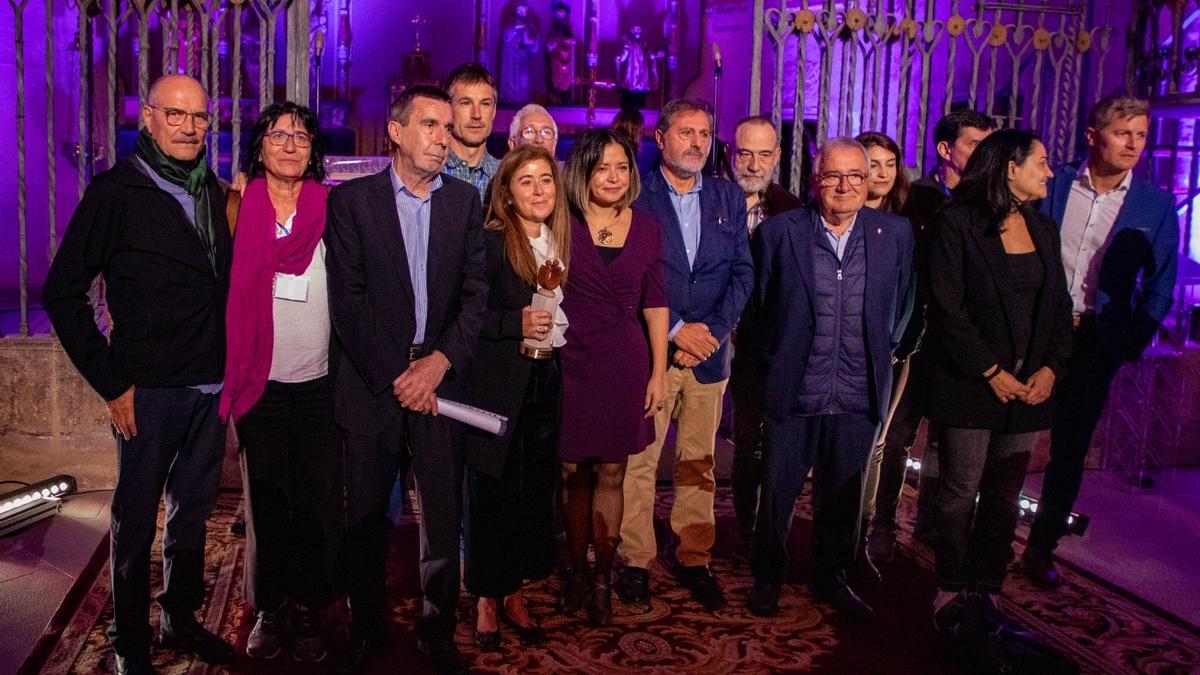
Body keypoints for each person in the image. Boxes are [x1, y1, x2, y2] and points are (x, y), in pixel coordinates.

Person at [42, 73, 236, 674]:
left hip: (210, 386)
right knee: (134, 522)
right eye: (174, 115)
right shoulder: (115, 192)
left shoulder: (214, 192)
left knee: (192, 514)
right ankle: (130, 642)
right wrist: (111, 380)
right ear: (148, 118)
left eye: (199, 117)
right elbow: (61, 293)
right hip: (146, 392)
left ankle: (178, 618)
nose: (188, 126)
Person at [325, 85, 488, 675]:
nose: (444, 138)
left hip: (442, 382)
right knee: (367, 515)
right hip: (375, 385)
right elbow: (348, 302)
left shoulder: (464, 203)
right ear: (395, 132)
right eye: (430, 125)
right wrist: (400, 376)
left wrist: (438, 364)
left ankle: (436, 625)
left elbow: (477, 295)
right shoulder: (353, 203)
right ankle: (366, 624)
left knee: (442, 516)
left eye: (448, 127)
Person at [747, 137, 913, 622]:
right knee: (777, 493)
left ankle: (831, 577)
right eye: (833, 176)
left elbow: (901, 307)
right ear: (815, 180)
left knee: (843, 494)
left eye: (856, 177)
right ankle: (768, 577)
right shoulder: (780, 233)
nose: (845, 186)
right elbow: (759, 311)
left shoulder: (894, 233)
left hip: (858, 391)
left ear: (869, 182)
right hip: (796, 389)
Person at [925, 129, 1073, 667]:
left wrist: (1053, 369)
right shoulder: (955, 223)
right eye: (1041, 162)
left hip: (1029, 388)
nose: (1050, 172)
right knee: (961, 490)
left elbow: (1059, 305)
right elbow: (947, 307)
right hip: (971, 383)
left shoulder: (1043, 227)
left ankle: (986, 586)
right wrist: (988, 369)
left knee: (1006, 495)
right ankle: (950, 586)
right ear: (1009, 168)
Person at [1022, 96, 1179, 589]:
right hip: (1038, 328)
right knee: (1013, 432)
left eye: (1141, 134)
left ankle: (1041, 546)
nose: (1134, 143)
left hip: (1096, 338)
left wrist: (1129, 340)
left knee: (1070, 448)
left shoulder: (1154, 204)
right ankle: (976, 532)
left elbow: (1161, 282)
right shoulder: (1057, 183)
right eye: (1122, 133)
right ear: (1093, 136)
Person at [616, 98, 753, 611]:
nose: (697, 142)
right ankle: (635, 561)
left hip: (710, 357)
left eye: (704, 133)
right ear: (660, 138)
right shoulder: (636, 195)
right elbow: (627, 276)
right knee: (641, 462)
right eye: (686, 133)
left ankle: (695, 557)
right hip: (652, 354)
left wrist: (712, 333)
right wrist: (675, 330)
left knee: (700, 463)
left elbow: (744, 272)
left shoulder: (727, 196)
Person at [219, 101, 338, 663]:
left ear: (314, 149)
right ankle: (269, 606)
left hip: (318, 382)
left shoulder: (330, 208)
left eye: (301, 135)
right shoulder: (238, 207)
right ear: (259, 144)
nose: (290, 143)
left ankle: (312, 603)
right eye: (278, 133)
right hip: (259, 381)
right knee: (267, 502)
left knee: (315, 501)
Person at [558, 129, 668, 626]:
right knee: (570, 473)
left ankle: (603, 577)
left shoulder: (647, 227)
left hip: (625, 361)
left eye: (622, 166)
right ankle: (575, 574)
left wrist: (659, 372)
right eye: (602, 167)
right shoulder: (561, 221)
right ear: (583, 171)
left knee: (612, 472)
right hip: (570, 359)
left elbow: (657, 304)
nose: (613, 176)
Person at [463, 145, 570, 650]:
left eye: (545, 180)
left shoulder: (558, 241)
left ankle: (514, 591)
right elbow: (462, 315)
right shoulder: (489, 241)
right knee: (490, 492)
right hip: (496, 384)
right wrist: (514, 323)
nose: (538, 190)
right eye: (525, 181)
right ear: (505, 191)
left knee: (531, 493)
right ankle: (485, 594)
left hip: (543, 383)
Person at [875, 110, 996, 553]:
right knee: (897, 435)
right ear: (946, 150)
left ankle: (933, 526)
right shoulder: (915, 200)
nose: (986, 157)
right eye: (974, 146)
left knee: (949, 441)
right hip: (915, 339)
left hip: (961, 344)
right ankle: (882, 524)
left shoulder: (988, 205)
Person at [726, 115, 804, 548]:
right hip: (713, 334)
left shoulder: (793, 210)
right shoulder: (713, 200)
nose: (753, 164)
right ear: (730, 154)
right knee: (740, 440)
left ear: (777, 156)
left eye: (763, 154)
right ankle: (743, 523)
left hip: (768, 345)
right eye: (745, 153)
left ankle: (766, 527)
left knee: (765, 436)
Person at [852, 130, 910, 574]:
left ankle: (860, 537)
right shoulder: (833, 217)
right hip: (842, 348)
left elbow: (910, 292)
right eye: (874, 164)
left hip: (888, 350)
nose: (882, 173)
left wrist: (894, 341)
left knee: (877, 443)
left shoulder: (905, 225)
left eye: (890, 165)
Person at [443, 63, 501, 200]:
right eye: (466, 103)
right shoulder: (430, 172)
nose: (476, 114)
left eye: (485, 104)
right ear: (448, 108)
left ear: (494, 111)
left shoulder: (504, 175)